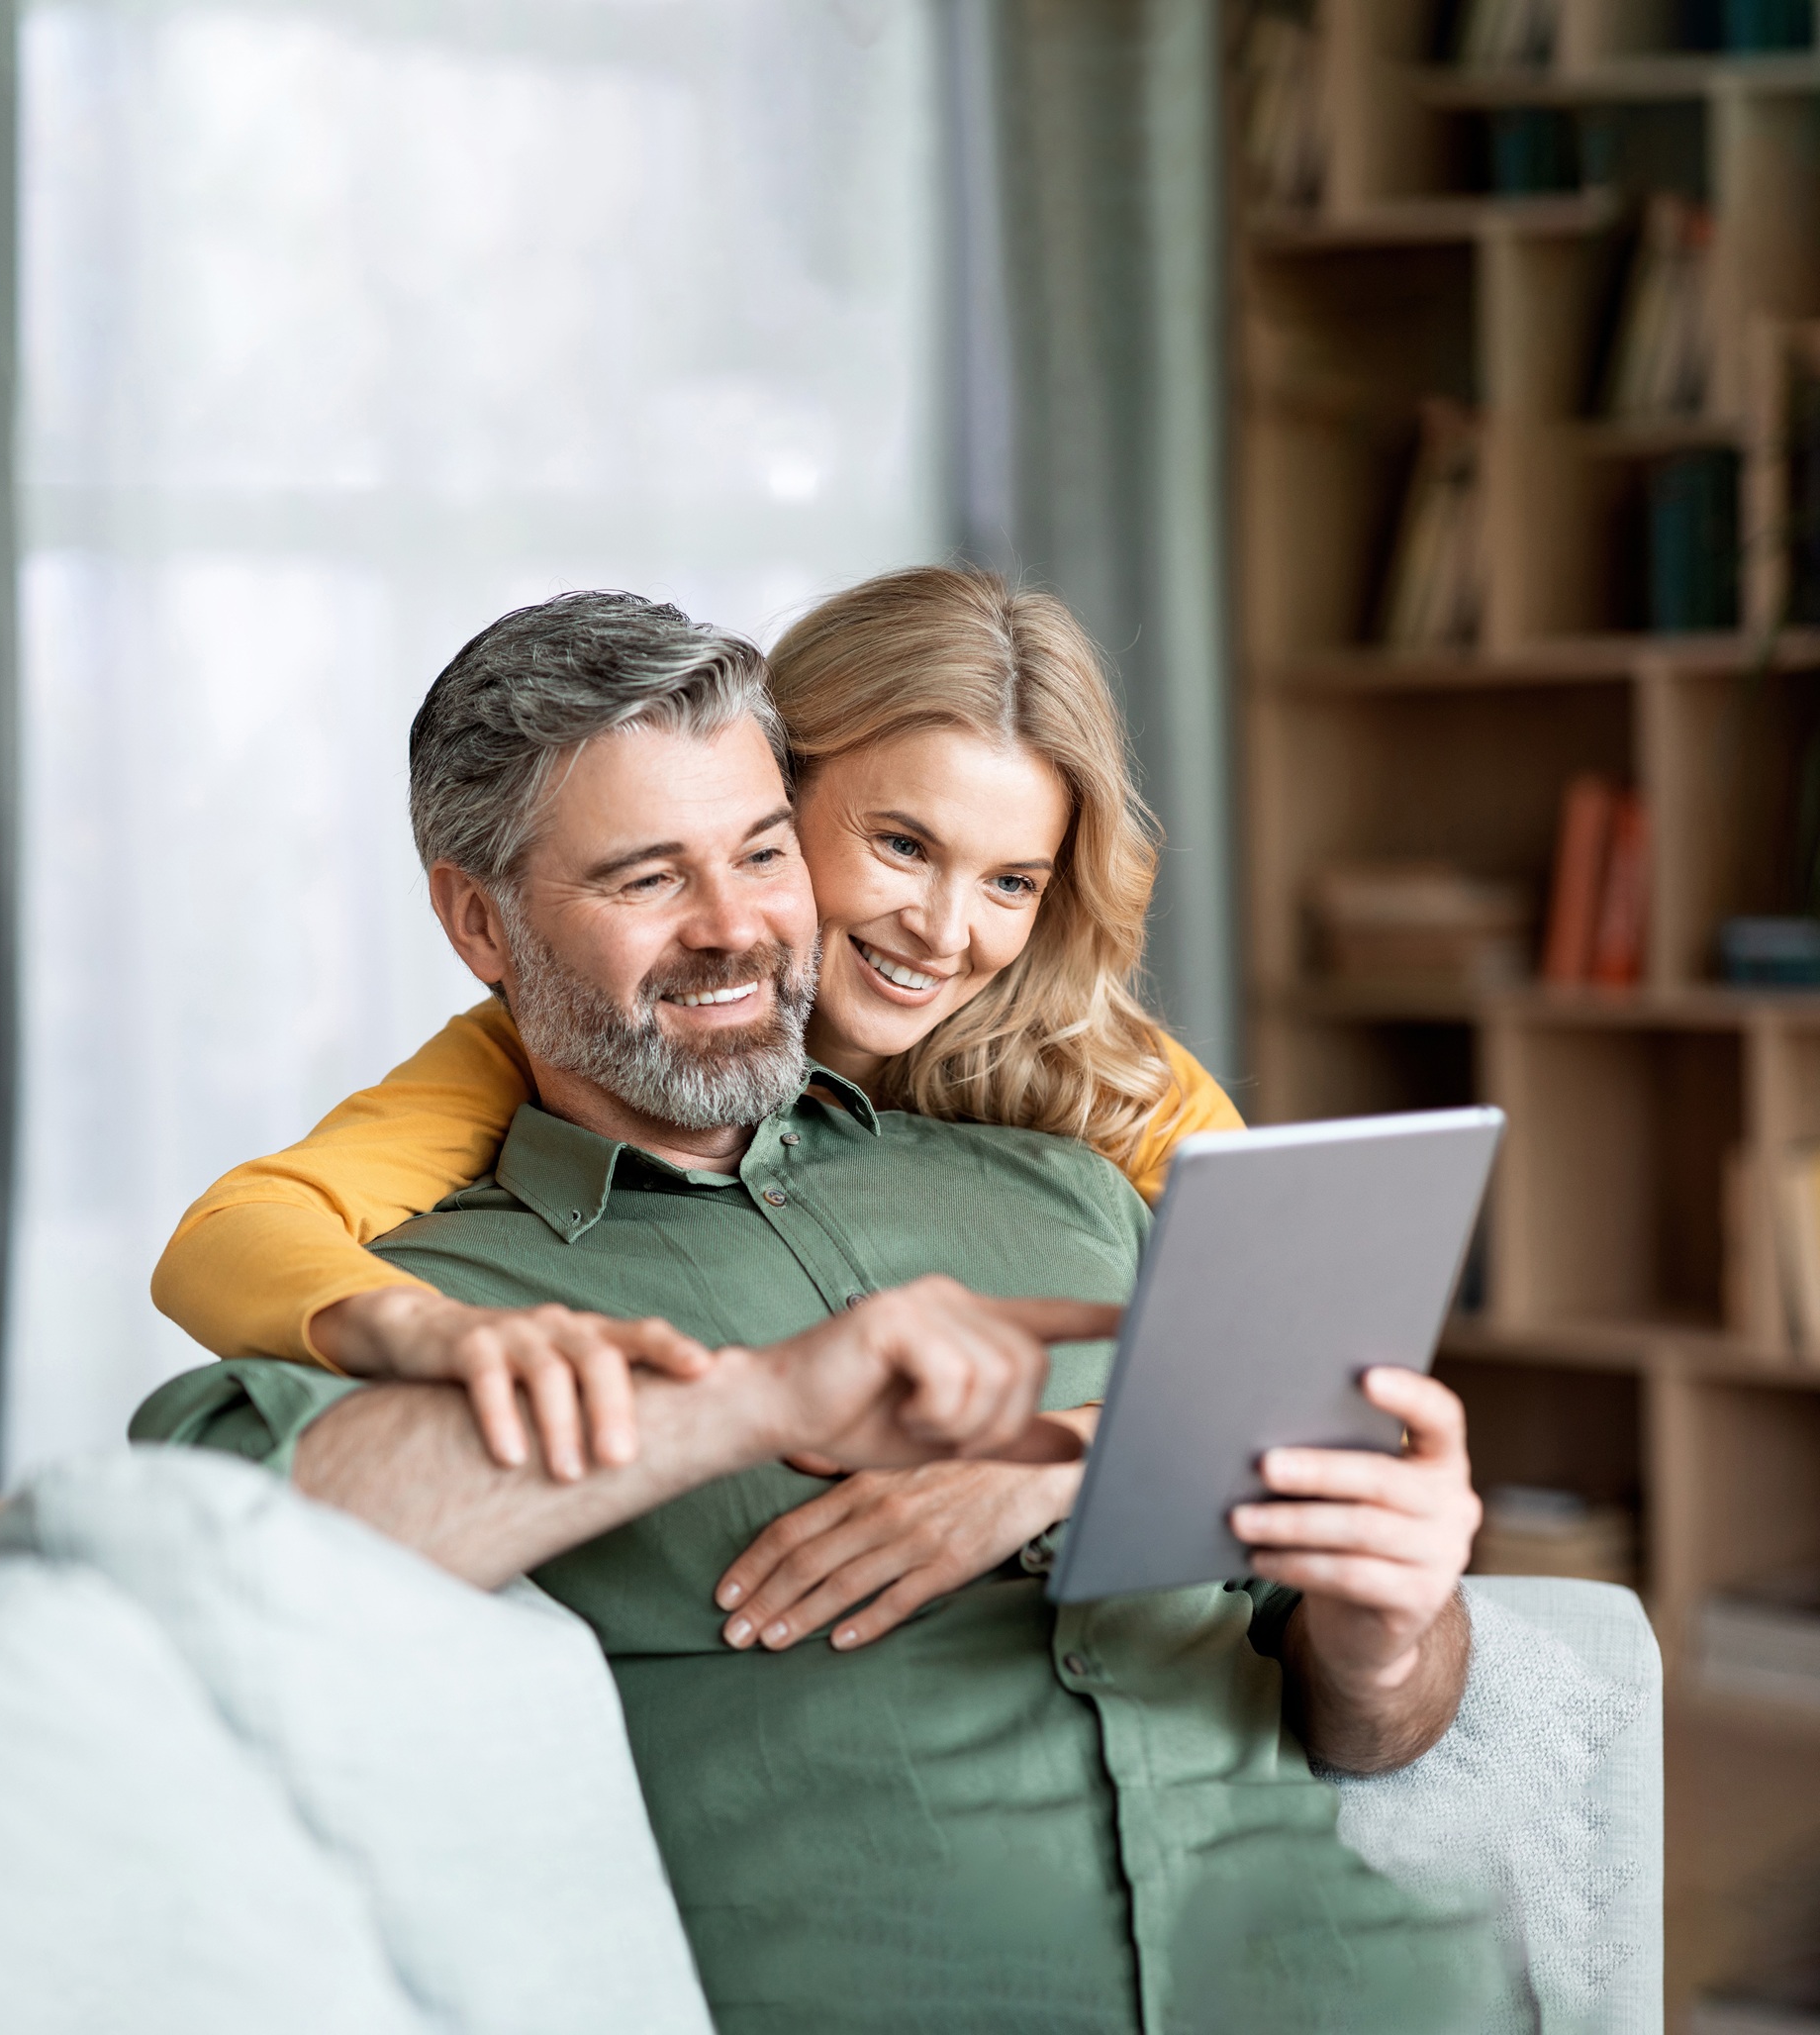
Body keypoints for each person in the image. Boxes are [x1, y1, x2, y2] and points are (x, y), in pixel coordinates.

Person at [134, 592, 1498, 2032]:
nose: (736, 927)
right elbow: (218, 1525)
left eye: (758, 855)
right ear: (482, 922)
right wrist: (734, 1401)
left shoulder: (1086, 1155)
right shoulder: (467, 1265)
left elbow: (1357, 1652)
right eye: (647, 878)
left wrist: (1384, 1619)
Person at [151, 569, 1233, 1654]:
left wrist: (1066, 1458)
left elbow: (1309, 1364)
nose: (942, 932)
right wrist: (432, 1333)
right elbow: (234, 1233)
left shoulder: (1099, 1078)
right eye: (901, 846)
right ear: (779, 784)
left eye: (1011, 882)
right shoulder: (527, 1059)